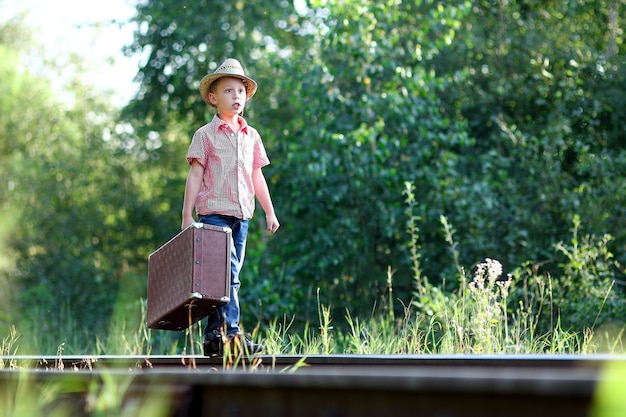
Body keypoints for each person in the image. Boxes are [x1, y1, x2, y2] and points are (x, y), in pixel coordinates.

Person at [181, 58, 280, 356]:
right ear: (213, 98)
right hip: (213, 214)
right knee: (228, 274)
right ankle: (232, 334)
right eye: (228, 91)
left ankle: (214, 336)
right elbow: (195, 173)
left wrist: (269, 211)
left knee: (223, 278)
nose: (236, 96)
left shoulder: (251, 136)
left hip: (242, 216)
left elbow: (256, 175)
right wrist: (187, 214)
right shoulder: (206, 135)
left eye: (240, 91)